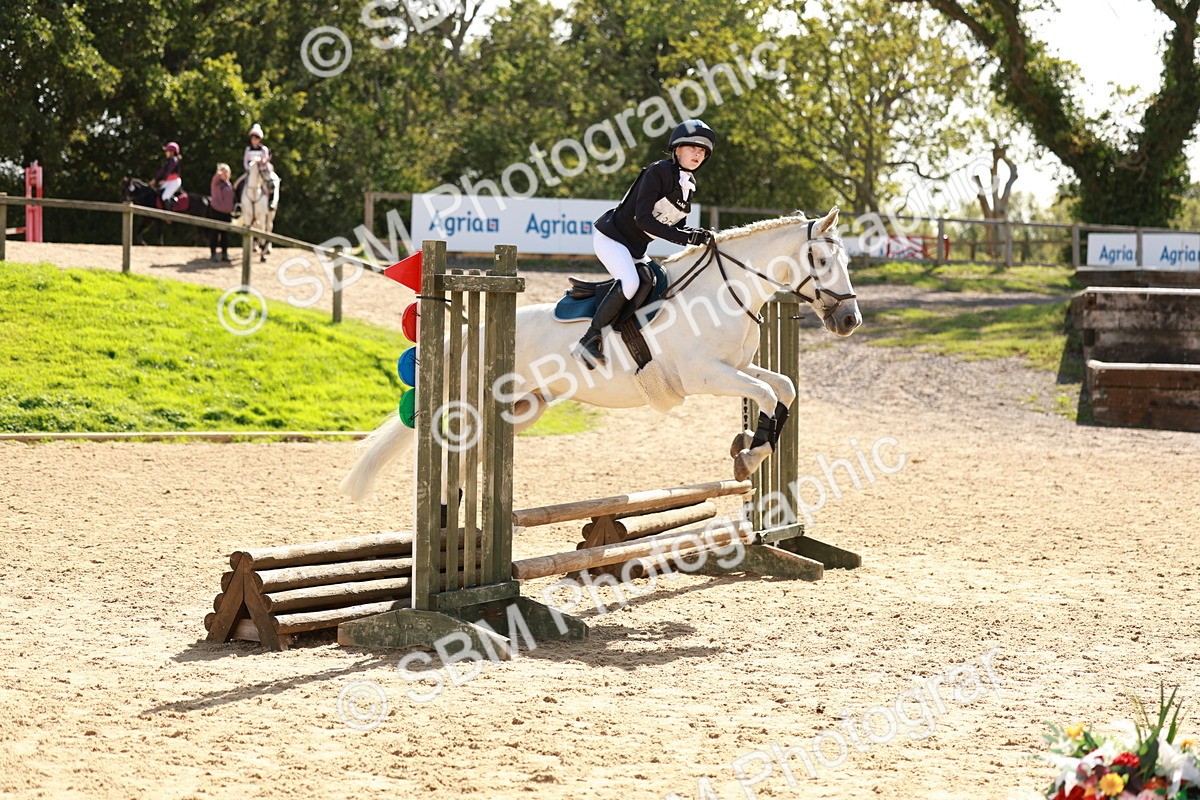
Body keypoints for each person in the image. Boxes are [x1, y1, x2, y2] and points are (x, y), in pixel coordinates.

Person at [575, 119, 718, 368]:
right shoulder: (658, 171)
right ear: (677, 150)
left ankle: (626, 331)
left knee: (658, 279)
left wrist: (697, 234)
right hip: (612, 238)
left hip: (635, 248)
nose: (698, 154)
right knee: (631, 282)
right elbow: (643, 220)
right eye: (693, 147)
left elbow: (677, 225)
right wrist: (686, 238)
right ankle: (589, 339)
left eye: (703, 151)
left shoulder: (689, 184)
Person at [232, 122, 281, 217]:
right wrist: (249, 169)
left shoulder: (264, 149)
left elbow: (265, 161)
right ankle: (238, 205)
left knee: (270, 184)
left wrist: (261, 163)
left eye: (256, 139)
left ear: (259, 139)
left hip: (262, 171)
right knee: (237, 184)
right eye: (252, 139)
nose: (254, 141)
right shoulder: (248, 149)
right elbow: (245, 162)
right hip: (250, 172)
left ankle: (271, 203)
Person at [209, 163, 235, 262]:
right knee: (214, 233)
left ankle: (224, 254)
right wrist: (219, 174)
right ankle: (213, 254)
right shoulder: (216, 182)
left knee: (225, 235)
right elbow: (216, 178)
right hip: (216, 211)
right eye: (224, 172)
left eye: (227, 172)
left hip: (227, 213)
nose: (226, 174)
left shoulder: (229, 184)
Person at [152, 142, 183, 211]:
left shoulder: (174, 160)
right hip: (169, 182)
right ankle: (173, 199)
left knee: (165, 197)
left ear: (172, 152)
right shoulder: (168, 161)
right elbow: (161, 171)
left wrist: (164, 180)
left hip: (174, 182)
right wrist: (154, 179)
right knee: (158, 192)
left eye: (167, 151)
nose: (166, 152)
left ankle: (169, 214)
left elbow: (169, 171)